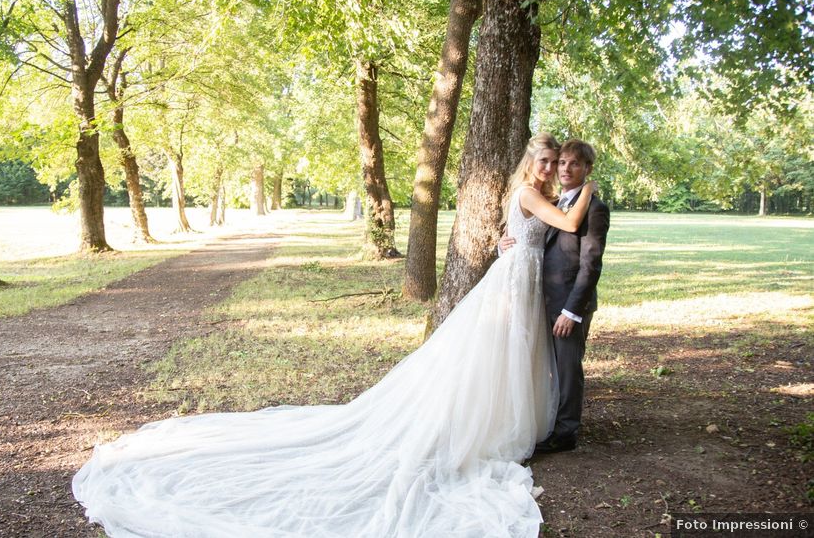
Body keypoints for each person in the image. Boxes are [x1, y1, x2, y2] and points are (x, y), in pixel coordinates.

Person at [72, 133, 596, 538]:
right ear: (531, 164)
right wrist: (588, 189)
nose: (551, 168)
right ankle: (489, 426)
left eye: (557, 163)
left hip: (525, 279)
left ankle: (515, 421)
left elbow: (544, 232)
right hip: (513, 280)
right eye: (545, 161)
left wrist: (514, 239)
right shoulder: (534, 191)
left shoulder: (539, 194)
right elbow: (569, 226)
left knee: (514, 355)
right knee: (496, 353)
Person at [501, 139, 610, 454]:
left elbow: (590, 266)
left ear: (587, 169)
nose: (562, 169)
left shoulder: (594, 208)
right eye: (560, 162)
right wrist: (504, 244)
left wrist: (572, 312)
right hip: (540, 296)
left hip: (568, 304)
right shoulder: (555, 200)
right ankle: (545, 422)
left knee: (567, 366)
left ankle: (565, 433)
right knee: (544, 363)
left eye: (572, 164)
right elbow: (528, 236)